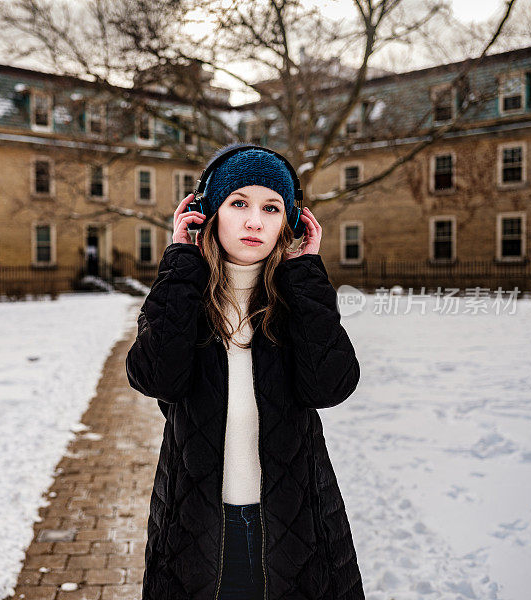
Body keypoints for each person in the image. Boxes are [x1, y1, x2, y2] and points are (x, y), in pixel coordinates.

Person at [125, 143, 364, 600]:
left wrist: (309, 275)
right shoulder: (184, 294)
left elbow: (331, 386)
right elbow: (156, 378)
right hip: (196, 529)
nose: (255, 221)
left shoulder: (298, 299)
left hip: (296, 528)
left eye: (271, 208)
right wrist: (180, 265)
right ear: (208, 213)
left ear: (288, 223)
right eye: (239, 203)